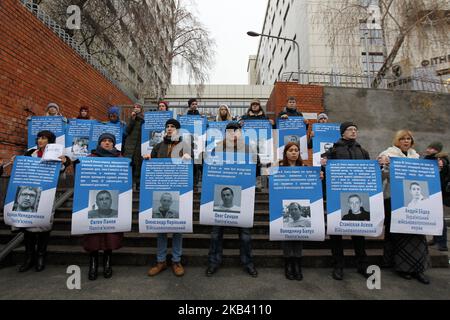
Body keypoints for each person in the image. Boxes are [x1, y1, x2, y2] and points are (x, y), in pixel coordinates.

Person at [205, 122, 258, 278]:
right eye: (229, 131)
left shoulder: (248, 149)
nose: (233, 133)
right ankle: (213, 262)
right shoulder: (217, 149)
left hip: (243, 196)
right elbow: (209, 169)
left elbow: (257, 168)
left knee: (245, 236)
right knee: (215, 235)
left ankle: (248, 263)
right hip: (221, 194)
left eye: (236, 131)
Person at [378, 129, 431, 284]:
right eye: (403, 139)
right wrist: (383, 166)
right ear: (397, 141)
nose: (406, 141)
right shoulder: (388, 154)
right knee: (397, 233)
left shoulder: (416, 156)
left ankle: (418, 267)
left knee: (417, 234)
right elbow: (381, 177)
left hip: (413, 200)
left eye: (408, 139)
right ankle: (401, 267)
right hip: (393, 199)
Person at [16, 130, 71, 273]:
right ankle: (29, 257)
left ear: (50, 141)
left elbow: (62, 177)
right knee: (27, 225)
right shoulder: (30, 153)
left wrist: (64, 163)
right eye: (39, 138)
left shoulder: (56, 155)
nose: (40, 140)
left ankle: (41, 255)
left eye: (44, 138)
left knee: (43, 225)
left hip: (46, 194)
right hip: (29, 193)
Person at [321, 121, 370, 280]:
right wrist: (323, 166)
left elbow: (369, 171)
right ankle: (338, 266)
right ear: (343, 133)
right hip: (337, 196)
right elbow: (324, 171)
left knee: (359, 233)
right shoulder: (333, 150)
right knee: (336, 233)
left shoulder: (363, 151)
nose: (354, 132)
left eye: (355, 129)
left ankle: (362, 265)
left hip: (358, 195)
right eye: (350, 129)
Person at [144, 119, 192, 277]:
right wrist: (148, 159)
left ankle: (176, 261)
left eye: (173, 127)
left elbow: (195, 169)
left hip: (180, 191)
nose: (169, 129)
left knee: (178, 228)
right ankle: (161, 261)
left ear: (178, 130)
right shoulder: (158, 146)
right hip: (162, 188)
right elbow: (151, 165)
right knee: (161, 228)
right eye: (168, 127)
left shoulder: (185, 146)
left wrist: (189, 159)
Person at [83, 133, 123, 281]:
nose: (107, 143)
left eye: (109, 141)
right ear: (99, 143)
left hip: (112, 196)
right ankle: (93, 263)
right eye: (104, 141)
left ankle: (107, 262)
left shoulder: (120, 158)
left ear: (113, 144)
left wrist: (129, 166)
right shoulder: (90, 158)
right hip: (94, 196)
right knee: (93, 234)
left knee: (110, 234)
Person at [278, 142, 306, 280]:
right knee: (287, 237)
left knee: (298, 236)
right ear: (286, 153)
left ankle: (297, 265)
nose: (294, 152)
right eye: (291, 150)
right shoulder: (278, 167)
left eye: (296, 150)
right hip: (284, 203)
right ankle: (288, 265)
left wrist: (320, 178)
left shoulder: (305, 168)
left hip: (299, 202)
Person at [425, 149, 449, 252]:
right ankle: (435, 239)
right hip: (432, 192)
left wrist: (440, 166)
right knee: (434, 216)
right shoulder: (430, 159)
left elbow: (443, 175)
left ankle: (443, 244)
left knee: (439, 218)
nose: (428, 149)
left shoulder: (443, 163)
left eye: (431, 148)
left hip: (438, 193)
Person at [124, 103, 145, 190]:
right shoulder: (131, 119)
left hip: (140, 145)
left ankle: (138, 183)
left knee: (139, 164)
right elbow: (127, 131)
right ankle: (131, 184)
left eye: (138, 107)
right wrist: (132, 119)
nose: (136, 108)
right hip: (130, 145)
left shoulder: (144, 120)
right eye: (135, 107)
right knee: (130, 164)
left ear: (141, 109)